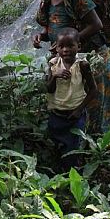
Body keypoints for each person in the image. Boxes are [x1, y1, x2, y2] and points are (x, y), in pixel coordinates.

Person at [32, 0, 110, 133]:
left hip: (90, 55)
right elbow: (53, 25)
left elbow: (96, 24)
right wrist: (41, 36)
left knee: (95, 95)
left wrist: (69, 42)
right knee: (73, 96)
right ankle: (78, 137)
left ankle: (102, 138)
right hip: (67, 57)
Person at [46, 27, 98, 171]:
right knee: (56, 146)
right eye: (61, 46)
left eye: (70, 46)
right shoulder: (53, 64)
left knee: (74, 149)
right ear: (56, 48)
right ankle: (59, 175)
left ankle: (73, 177)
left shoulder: (82, 65)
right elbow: (49, 89)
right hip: (56, 114)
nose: (65, 50)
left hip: (75, 115)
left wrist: (79, 109)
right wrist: (55, 75)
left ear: (78, 46)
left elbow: (93, 90)